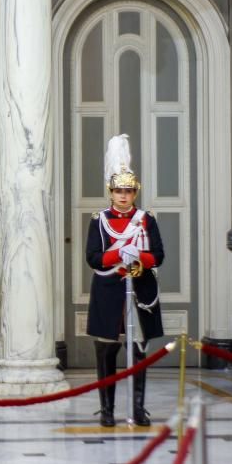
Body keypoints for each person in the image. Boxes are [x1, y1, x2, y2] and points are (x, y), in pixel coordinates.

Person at [85, 133, 164, 428]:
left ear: (135, 193)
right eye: (118, 190)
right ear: (110, 191)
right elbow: (93, 257)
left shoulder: (146, 219)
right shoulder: (99, 220)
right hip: (109, 290)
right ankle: (107, 410)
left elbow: (158, 255)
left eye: (128, 192)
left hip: (139, 289)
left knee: (139, 350)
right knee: (107, 350)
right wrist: (119, 252)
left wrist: (139, 258)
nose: (122, 196)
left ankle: (139, 407)